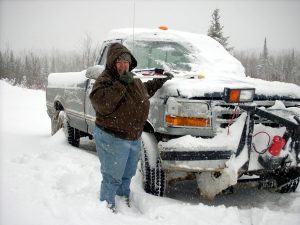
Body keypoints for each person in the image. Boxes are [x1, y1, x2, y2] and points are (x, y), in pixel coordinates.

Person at [89, 43, 173, 212]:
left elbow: (145, 90)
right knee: (112, 176)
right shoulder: (105, 79)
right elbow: (102, 104)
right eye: (119, 62)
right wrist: (120, 83)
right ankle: (106, 209)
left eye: (126, 62)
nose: (123, 65)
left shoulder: (132, 78)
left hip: (133, 137)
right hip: (112, 137)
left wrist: (161, 81)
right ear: (113, 62)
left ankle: (122, 200)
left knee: (127, 175)